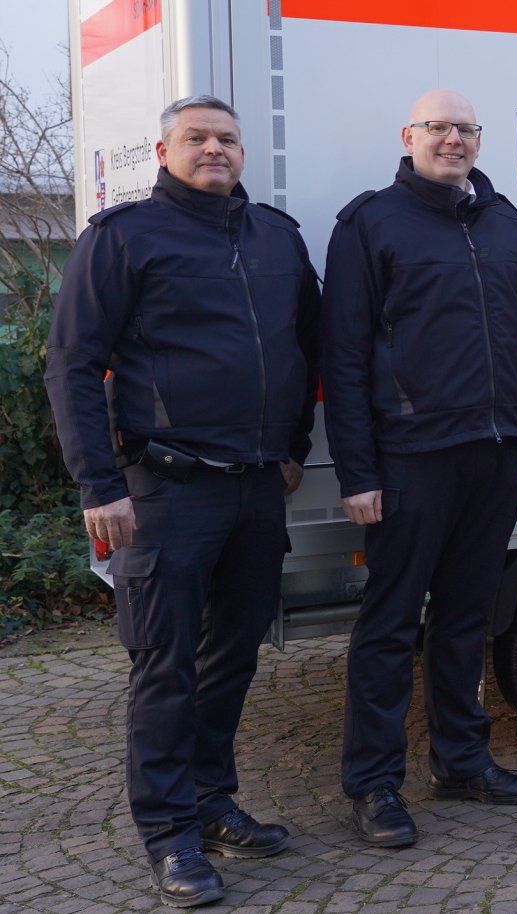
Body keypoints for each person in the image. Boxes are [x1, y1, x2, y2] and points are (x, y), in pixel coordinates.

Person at [43, 94, 319, 907]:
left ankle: (211, 800)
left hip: (257, 489)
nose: (215, 150)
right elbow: (71, 366)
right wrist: (100, 485)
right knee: (165, 670)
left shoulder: (277, 237)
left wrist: (294, 451)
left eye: (227, 139)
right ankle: (170, 837)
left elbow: (312, 346)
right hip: (166, 490)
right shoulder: (123, 239)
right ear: (164, 152)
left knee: (229, 660)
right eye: (196, 139)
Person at [323, 89, 517, 846]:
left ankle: (462, 761)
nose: (451, 140)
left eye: (463, 130)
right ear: (409, 136)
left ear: (479, 141)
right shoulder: (371, 223)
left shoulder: (503, 224)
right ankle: (373, 786)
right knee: (390, 626)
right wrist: (356, 471)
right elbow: (346, 354)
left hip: (496, 455)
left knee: (464, 619)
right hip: (411, 457)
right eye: (438, 128)